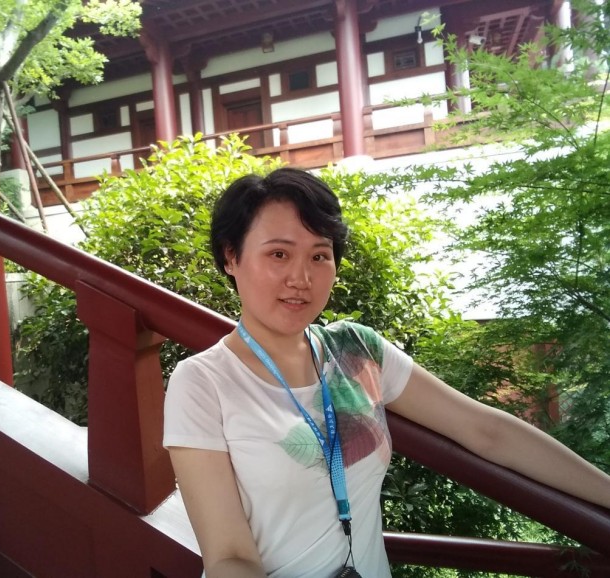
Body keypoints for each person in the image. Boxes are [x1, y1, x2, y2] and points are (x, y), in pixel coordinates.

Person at [162, 167, 610, 578]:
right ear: (231, 257)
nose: (301, 278)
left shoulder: (356, 351)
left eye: (320, 256)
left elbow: (485, 430)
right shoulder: (203, 383)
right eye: (279, 253)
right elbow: (229, 557)